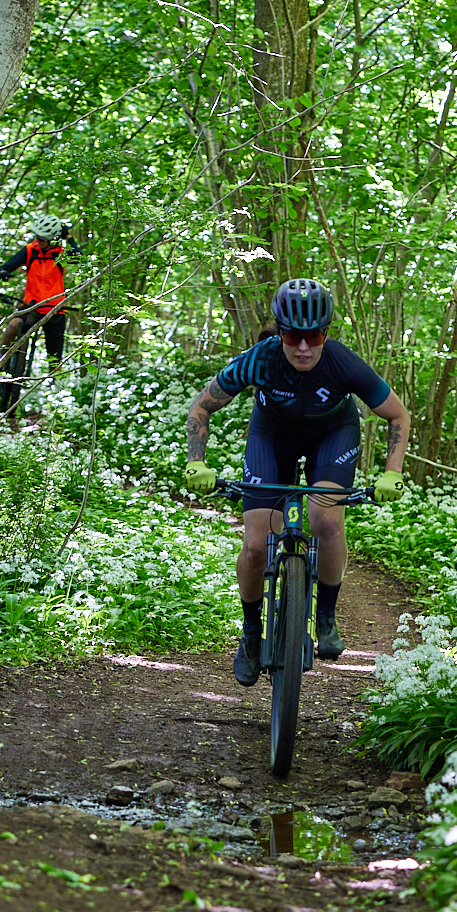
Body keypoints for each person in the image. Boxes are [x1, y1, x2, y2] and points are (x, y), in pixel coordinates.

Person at [183, 277, 411, 685]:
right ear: (279, 332)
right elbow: (201, 408)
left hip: (332, 435)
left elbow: (398, 414)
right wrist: (196, 463)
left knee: (326, 520)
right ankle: (251, 631)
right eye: (292, 336)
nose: (303, 347)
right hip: (271, 437)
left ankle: (326, 616)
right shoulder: (260, 359)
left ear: (326, 332)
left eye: (314, 336)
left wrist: (392, 471)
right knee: (256, 544)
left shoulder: (342, 362)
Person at [0, 214, 78, 409]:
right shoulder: (30, 250)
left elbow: (78, 257)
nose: (38, 241)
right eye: (37, 237)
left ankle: (57, 398)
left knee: (54, 355)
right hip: (31, 306)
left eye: (43, 239)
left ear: (53, 239)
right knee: (12, 326)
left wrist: (68, 237)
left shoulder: (61, 253)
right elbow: (6, 267)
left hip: (55, 309)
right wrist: (4, 273)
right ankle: (0, 367)